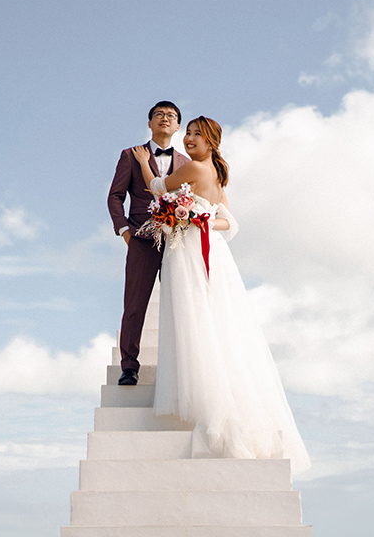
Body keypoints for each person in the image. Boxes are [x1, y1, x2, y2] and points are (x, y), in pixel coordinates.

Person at [132, 116, 311, 474]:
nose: (190, 139)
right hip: (211, 246)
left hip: (190, 251)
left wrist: (142, 163)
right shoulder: (216, 173)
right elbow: (230, 221)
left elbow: (157, 185)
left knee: (190, 311)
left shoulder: (196, 169)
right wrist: (201, 219)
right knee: (213, 314)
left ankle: (202, 394)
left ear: (212, 140)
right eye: (189, 135)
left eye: (197, 134)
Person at [107, 101, 191, 386]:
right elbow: (115, 196)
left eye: (171, 116)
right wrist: (125, 232)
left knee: (181, 303)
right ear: (149, 122)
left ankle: (181, 365)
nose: (165, 118)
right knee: (134, 304)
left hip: (178, 243)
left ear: (178, 125)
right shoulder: (131, 155)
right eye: (159, 114)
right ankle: (129, 366)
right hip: (141, 240)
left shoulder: (187, 163)